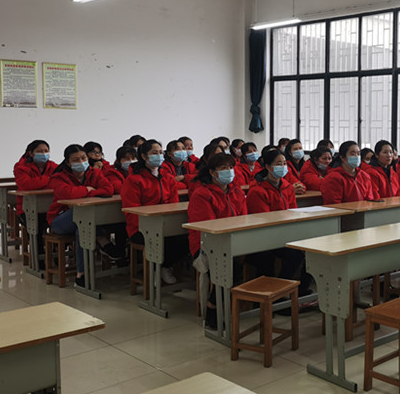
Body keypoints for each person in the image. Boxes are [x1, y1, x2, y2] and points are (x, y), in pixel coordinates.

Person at [188, 151, 248, 328]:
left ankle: (258, 303)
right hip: (205, 244)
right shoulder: (202, 194)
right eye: (223, 168)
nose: (228, 171)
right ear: (212, 172)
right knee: (229, 265)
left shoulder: (237, 192)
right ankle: (213, 308)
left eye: (231, 167)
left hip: (233, 240)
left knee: (262, 256)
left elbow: (244, 219)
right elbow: (208, 227)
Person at [46, 144, 117, 287]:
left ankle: (81, 274)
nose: (81, 162)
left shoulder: (95, 173)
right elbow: (66, 194)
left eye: (83, 158)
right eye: (76, 160)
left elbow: (108, 189)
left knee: (83, 228)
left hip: (83, 221)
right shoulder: (58, 177)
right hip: (60, 220)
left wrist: (87, 192)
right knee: (82, 215)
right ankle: (102, 239)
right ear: (68, 162)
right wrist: (87, 190)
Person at [121, 139, 186, 285]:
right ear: (144, 156)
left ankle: (164, 266)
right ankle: (154, 269)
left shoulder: (167, 177)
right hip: (141, 228)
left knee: (186, 238)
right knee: (159, 240)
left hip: (166, 224)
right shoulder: (134, 180)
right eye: (154, 153)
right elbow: (132, 211)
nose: (159, 156)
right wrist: (149, 225)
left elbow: (174, 205)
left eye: (161, 153)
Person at [246, 148, 305, 287]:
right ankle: (274, 290)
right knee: (267, 258)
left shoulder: (287, 187)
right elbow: (263, 220)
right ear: (267, 166)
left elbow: (293, 211)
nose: (282, 167)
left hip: (282, 233)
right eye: (278, 164)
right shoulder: (257, 190)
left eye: (284, 163)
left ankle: (284, 288)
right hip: (262, 236)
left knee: (302, 253)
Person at [13, 139, 58, 259]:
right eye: (39, 151)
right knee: (36, 226)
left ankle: (57, 255)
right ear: (31, 153)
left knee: (62, 223)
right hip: (26, 209)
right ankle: (39, 259)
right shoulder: (20, 167)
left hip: (50, 207)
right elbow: (27, 184)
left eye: (46, 151)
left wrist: (41, 182)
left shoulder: (53, 166)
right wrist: (48, 179)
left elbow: (59, 182)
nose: (44, 154)